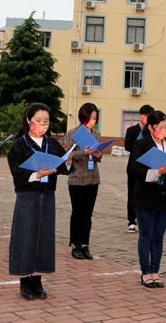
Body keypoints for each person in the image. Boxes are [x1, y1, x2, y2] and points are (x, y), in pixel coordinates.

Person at [7, 103, 74, 300]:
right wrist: (36, 174)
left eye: (46, 122)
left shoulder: (52, 144)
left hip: (48, 195)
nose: (42, 125)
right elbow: (17, 173)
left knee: (44, 237)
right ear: (28, 120)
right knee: (25, 236)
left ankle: (37, 279)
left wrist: (68, 161)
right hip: (27, 195)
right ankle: (25, 280)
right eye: (38, 121)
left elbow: (62, 168)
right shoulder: (19, 145)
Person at [130, 111, 166, 288]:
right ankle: (145, 272)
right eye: (160, 127)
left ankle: (155, 271)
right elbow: (135, 170)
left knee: (158, 237)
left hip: (164, 197)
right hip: (145, 196)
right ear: (150, 127)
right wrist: (156, 172)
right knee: (146, 236)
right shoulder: (141, 145)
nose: (163, 130)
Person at [66, 103, 103, 260]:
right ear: (83, 117)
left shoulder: (96, 134)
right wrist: (83, 153)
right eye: (90, 117)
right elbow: (68, 154)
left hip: (92, 177)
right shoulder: (73, 133)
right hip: (77, 178)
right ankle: (75, 244)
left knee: (88, 214)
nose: (92, 121)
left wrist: (97, 155)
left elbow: (100, 156)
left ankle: (85, 244)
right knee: (78, 212)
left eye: (95, 118)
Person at [124, 104, 154, 233]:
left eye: (149, 116)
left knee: (146, 193)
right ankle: (132, 220)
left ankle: (145, 220)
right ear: (140, 116)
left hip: (148, 167)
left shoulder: (152, 131)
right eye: (145, 116)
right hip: (133, 167)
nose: (146, 118)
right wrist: (139, 144)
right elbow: (127, 146)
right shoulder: (132, 130)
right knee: (132, 194)